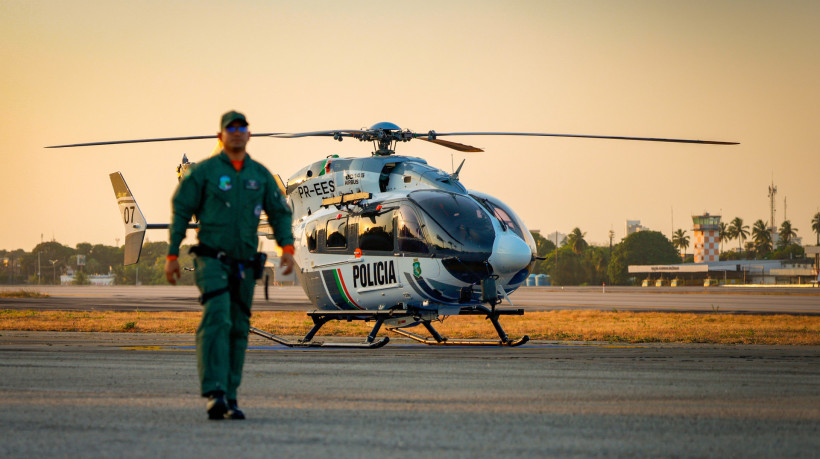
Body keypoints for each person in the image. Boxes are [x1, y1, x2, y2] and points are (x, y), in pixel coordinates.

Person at [164, 110, 294, 420]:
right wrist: (171, 254)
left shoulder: (259, 175)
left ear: (249, 135)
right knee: (217, 317)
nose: (237, 133)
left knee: (238, 328)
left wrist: (287, 247)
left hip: (246, 264)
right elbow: (181, 209)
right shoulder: (204, 173)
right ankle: (215, 393)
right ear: (221, 136)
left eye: (242, 128)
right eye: (230, 128)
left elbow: (279, 212)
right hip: (211, 260)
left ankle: (231, 397)